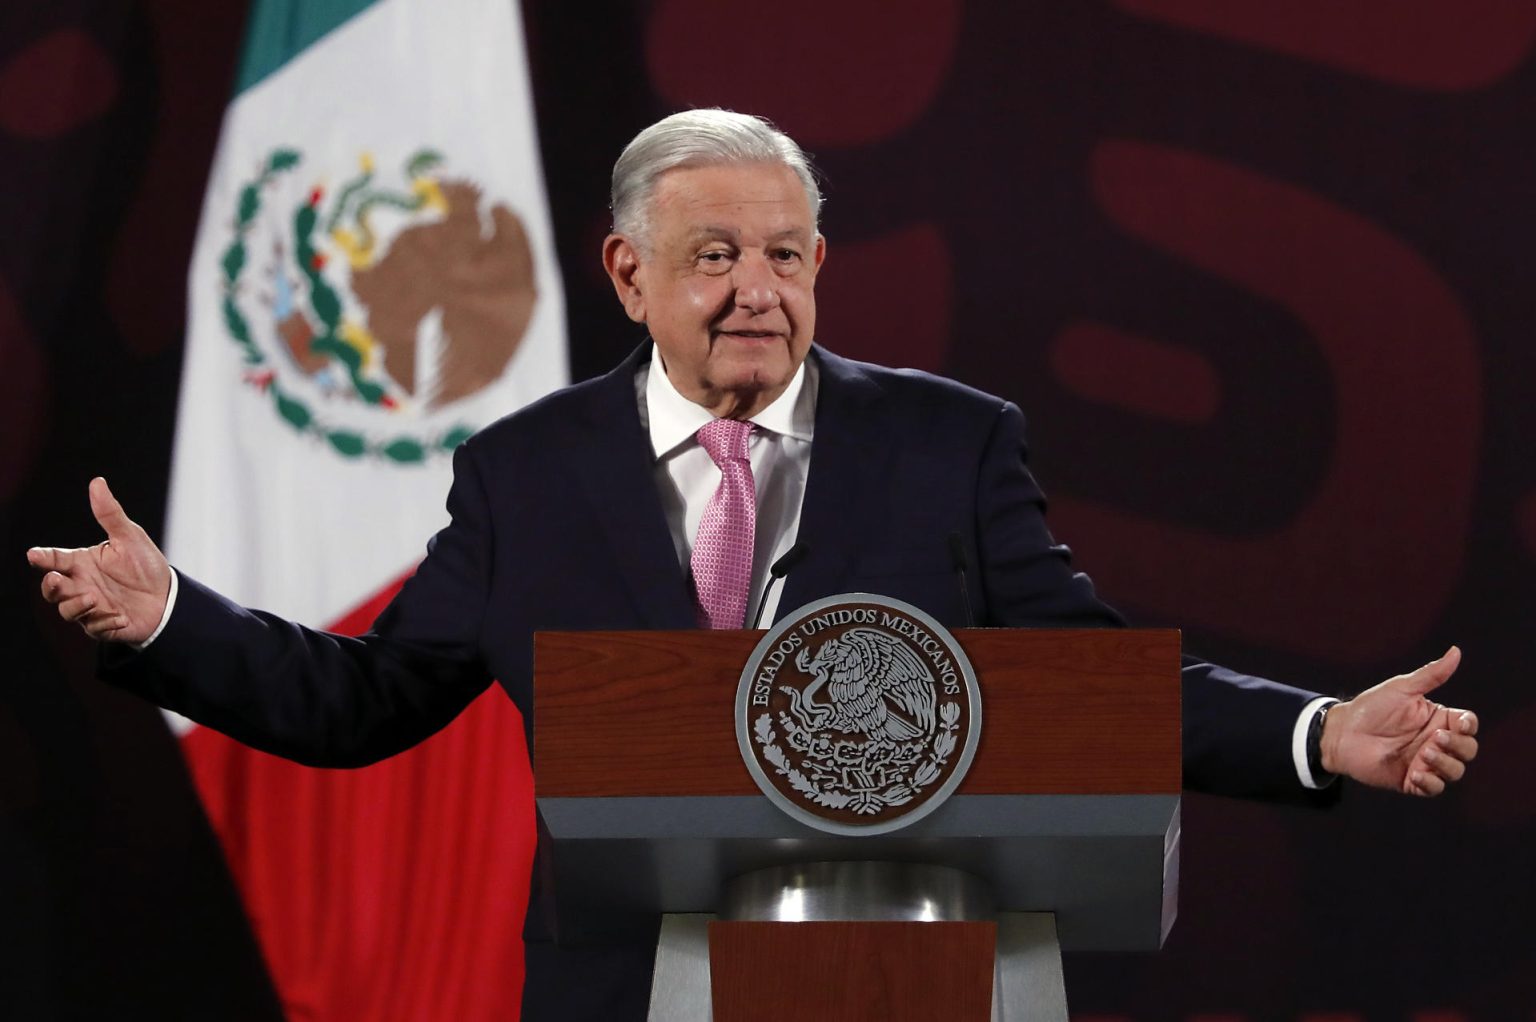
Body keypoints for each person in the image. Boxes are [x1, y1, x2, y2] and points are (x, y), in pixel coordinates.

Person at [28, 109, 1479, 1020]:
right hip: (621, 985)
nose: (757, 290)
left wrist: (1317, 730)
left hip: (909, 978)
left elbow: (1087, 681)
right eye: (714, 253)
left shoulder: (950, 444)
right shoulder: (527, 474)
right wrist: (170, 620)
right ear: (626, 273)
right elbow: (368, 699)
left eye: (787, 255)